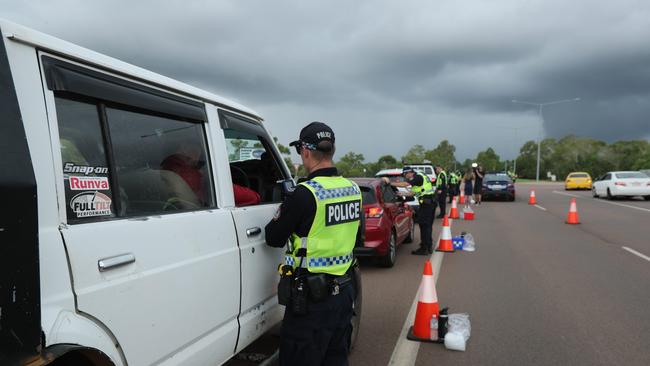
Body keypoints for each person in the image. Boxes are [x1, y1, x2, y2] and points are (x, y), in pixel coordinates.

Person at [265, 122, 364, 366]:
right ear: (331, 150)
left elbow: (274, 237)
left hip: (312, 300)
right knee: (335, 357)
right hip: (345, 291)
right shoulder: (353, 190)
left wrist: (285, 208)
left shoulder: (304, 193)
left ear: (306, 152)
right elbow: (357, 237)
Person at [162, 142, 260, 206]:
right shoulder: (195, 177)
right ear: (184, 148)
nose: (199, 157)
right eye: (198, 150)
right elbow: (252, 197)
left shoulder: (163, 170)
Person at [387, 166, 436, 255]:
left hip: (426, 204)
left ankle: (424, 248)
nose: (405, 177)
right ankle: (428, 246)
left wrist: (389, 183)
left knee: (424, 226)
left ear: (409, 172)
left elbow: (405, 184)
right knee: (427, 226)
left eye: (405, 175)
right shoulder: (420, 177)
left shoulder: (417, 177)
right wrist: (402, 193)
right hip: (429, 203)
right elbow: (414, 192)